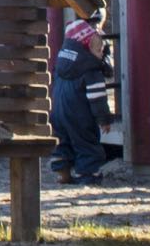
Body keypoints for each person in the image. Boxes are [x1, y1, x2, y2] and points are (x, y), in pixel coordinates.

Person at [49, 16, 116, 183]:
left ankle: (62, 171)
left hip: (57, 113)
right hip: (80, 115)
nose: (101, 55)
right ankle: (87, 176)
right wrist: (104, 119)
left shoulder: (61, 62)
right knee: (86, 144)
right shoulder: (91, 69)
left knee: (62, 141)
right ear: (86, 48)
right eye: (99, 50)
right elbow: (97, 97)